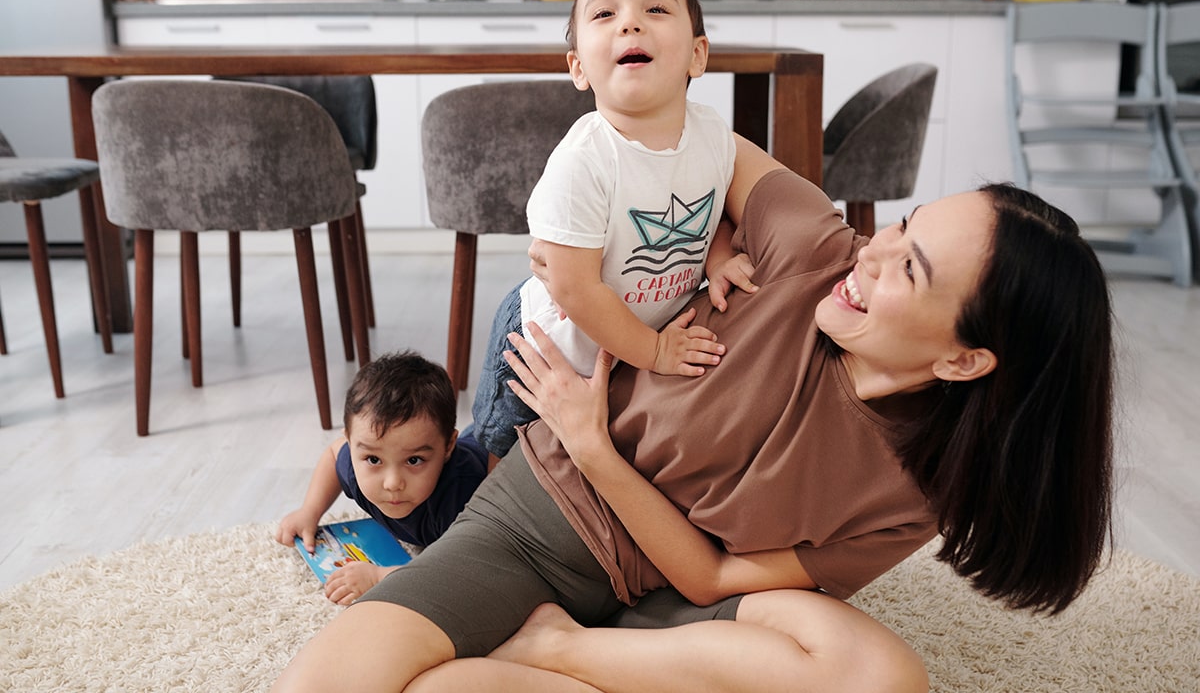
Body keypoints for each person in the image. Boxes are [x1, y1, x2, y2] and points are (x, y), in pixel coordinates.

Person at [272, 127, 1115, 692]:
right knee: (340, 678)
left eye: (910, 269)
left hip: (676, 594)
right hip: (546, 521)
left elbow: (711, 579)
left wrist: (596, 443)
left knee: (886, 679)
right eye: (902, 226)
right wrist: (698, 226)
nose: (876, 251)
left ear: (963, 359)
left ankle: (552, 651)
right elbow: (690, 131)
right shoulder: (814, 250)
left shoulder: (920, 489)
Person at [472, 0, 757, 463]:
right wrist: (654, 353)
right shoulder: (583, 162)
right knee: (503, 451)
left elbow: (709, 209)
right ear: (579, 68)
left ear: (698, 54)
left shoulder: (714, 135)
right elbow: (576, 289)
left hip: (627, 339)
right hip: (545, 341)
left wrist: (717, 260)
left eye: (656, 9)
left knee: (584, 461)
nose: (631, 24)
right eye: (606, 14)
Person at [275, 351, 488, 606]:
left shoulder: (462, 498)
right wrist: (310, 510)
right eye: (374, 460)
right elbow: (334, 454)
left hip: (502, 449)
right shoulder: (356, 463)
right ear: (352, 444)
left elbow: (463, 575)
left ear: (447, 448)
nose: (392, 483)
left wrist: (380, 577)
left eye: (414, 460)